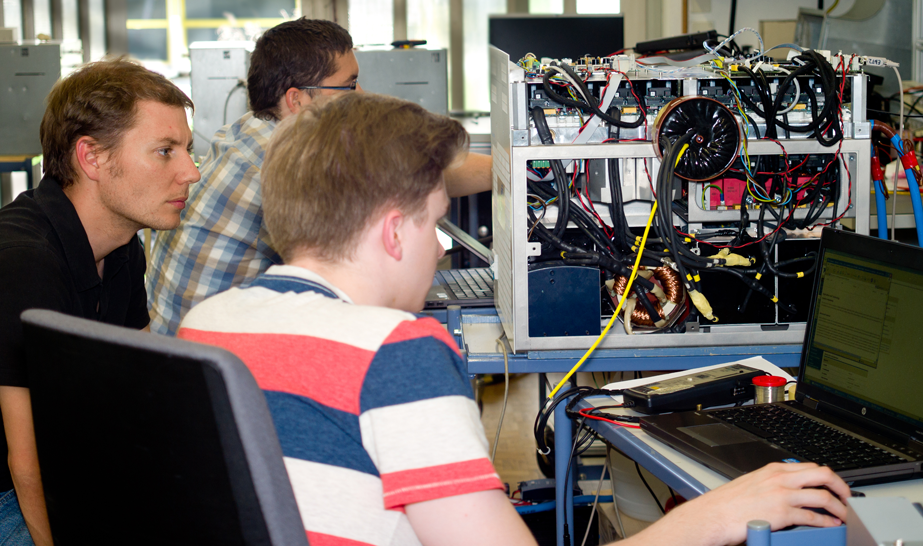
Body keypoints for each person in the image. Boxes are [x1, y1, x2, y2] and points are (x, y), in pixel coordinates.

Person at [176, 92, 851, 546]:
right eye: (434, 224)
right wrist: (717, 515)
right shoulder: (395, 352)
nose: (440, 249)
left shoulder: (209, 323)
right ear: (392, 232)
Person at [147, 17, 492, 336]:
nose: (361, 95)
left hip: (185, 351)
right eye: (349, 85)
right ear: (296, 100)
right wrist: (509, 170)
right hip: (221, 363)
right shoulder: (291, 166)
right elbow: (416, 175)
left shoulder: (249, 133)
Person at [0, 59, 199, 545]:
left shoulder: (122, 245)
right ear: (91, 157)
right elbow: (27, 464)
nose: (191, 173)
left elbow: (138, 389)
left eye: (188, 151)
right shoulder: (24, 261)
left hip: (72, 465)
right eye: (165, 151)